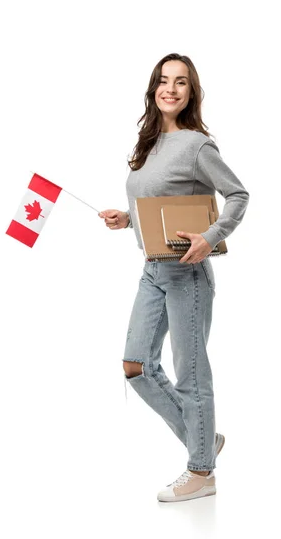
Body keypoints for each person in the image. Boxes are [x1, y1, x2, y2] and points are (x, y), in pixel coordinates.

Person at [98, 53, 250, 503]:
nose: (171, 89)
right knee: (136, 365)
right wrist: (127, 219)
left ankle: (202, 471)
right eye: (163, 81)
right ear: (153, 89)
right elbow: (160, 203)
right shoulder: (148, 144)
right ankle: (201, 437)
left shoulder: (197, 145)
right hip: (152, 269)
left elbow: (238, 195)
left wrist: (211, 235)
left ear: (191, 92)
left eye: (180, 82)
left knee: (191, 375)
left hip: (187, 275)